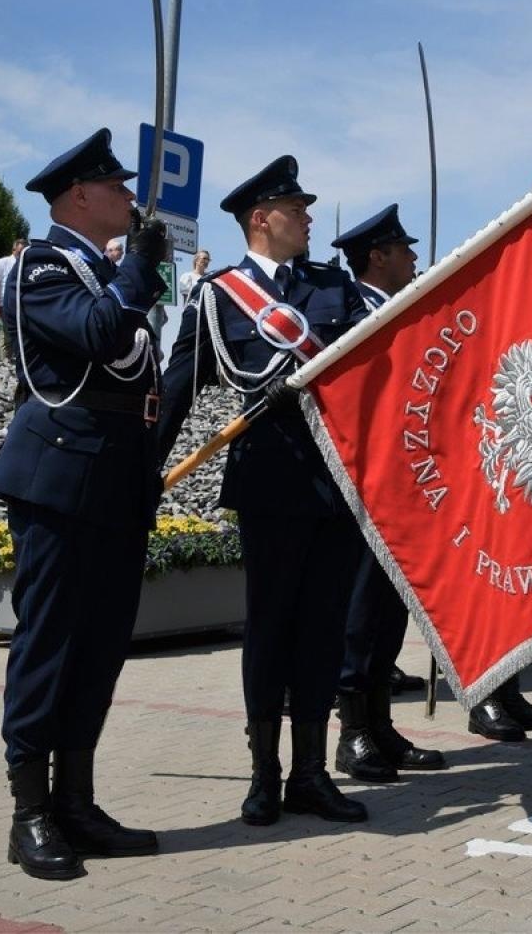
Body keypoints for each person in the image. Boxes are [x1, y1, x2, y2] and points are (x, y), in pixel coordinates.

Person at [157, 154, 372, 830]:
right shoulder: (220, 297)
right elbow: (176, 388)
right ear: (261, 218)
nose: (308, 217)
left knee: (322, 629)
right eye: (296, 208)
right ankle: (264, 774)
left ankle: (311, 773)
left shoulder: (332, 289)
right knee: (270, 628)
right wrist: (138, 474)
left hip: (336, 484)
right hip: (270, 481)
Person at [0, 128, 166, 880]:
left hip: (116, 483)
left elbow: (141, 375)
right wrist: (138, 274)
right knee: (50, 642)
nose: (128, 196)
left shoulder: (104, 269)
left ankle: (77, 800)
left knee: (100, 647)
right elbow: (96, 335)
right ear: (79, 196)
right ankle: (29, 811)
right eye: (116, 187)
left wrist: (138, 274)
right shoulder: (40, 265)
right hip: (58, 480)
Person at [324, 204, 448, 779]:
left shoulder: (405, 315)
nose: (415, 259)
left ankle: (380, 725)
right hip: (366, 484)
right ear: (377, 258)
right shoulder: (348, 313)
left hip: (408, 483)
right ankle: (352, 732)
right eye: (405, 250)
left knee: (392, 609)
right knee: (361, 610)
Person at [0, 239, 26, 363]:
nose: (21, 255)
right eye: (19, 252)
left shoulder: (26, 265)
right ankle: (5, 363)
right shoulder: (2, 263)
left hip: (22, 306)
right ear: (13, 250)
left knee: (20, 335)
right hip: (5, 304)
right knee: (5, 337)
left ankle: (18, 363)